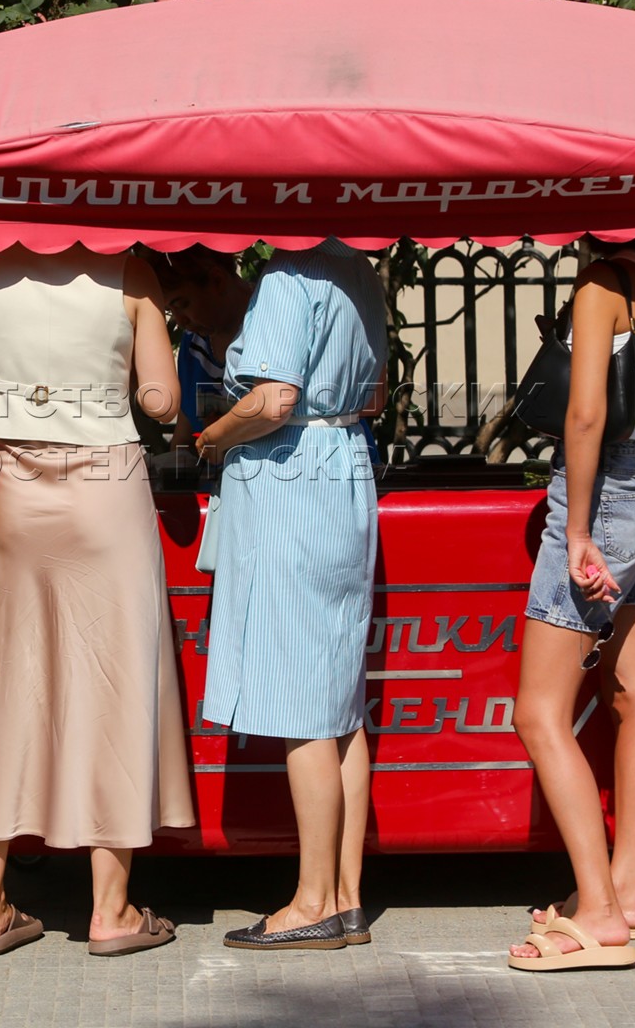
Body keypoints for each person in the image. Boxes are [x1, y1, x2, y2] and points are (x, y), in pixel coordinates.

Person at [0, 244, 195, 958]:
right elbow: (161, 400)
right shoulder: (132, 272)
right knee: (115, 683)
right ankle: (111, 912)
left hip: (11, 484)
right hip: (106, 485)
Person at [507, 233, 635, 972]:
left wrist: (578, 531)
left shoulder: (600, 284)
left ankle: (595, 912)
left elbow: (586, 417)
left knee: (538, 713)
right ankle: (627, 892)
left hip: (598, 502)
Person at [193, 240, 388, 951]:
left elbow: (274, 399)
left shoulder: (287, 277)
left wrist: (215, 435)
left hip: (292, 478)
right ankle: (347, 898)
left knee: (306, 702)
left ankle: (312, 902)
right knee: (341, 704)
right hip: (346, 471)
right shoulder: (359, 271)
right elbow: (375, 394)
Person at [136, 246, 252, 448]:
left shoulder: (269, 328)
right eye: (170, 310)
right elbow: (184, 435)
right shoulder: (194, 344)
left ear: (217, 280)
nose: (180, 322)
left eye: (182, 305)